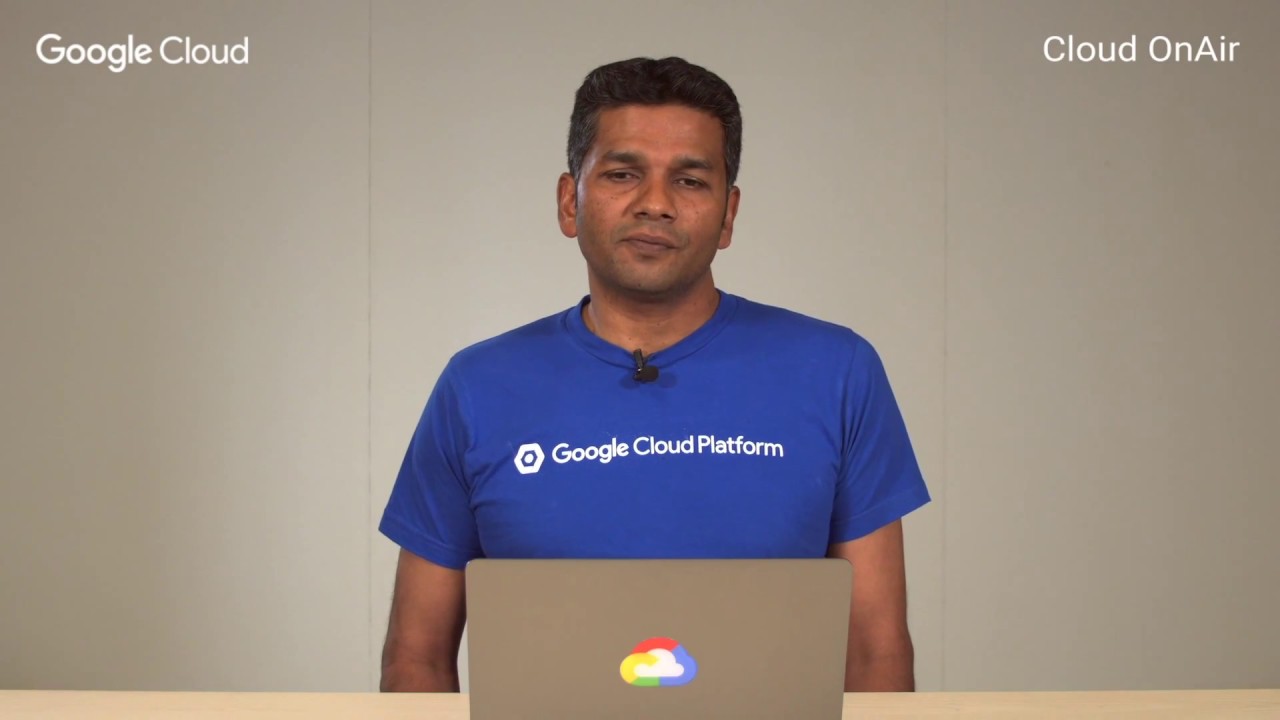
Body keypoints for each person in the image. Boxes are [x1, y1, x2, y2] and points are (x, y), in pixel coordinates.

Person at [378, 56, 931, 693]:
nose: (656, 204)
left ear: (728, 215)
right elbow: (416, 660)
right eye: (623, 174)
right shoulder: (477, 387)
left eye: (690, 181)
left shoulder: (837, 372)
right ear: (569, 201)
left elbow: (877, 654)